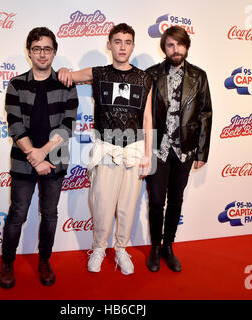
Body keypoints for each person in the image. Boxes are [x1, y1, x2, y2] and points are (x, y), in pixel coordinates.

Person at [58, 23, 153, 275]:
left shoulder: (145, 78)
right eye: (118, 41)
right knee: (102, 205)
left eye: (128, 42)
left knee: (127, 206)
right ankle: (99, 248)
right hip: (105, 148)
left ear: (133, 45)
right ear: (109, 44)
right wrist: (66, 69)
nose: (123, 47)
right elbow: (70, 75)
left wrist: (147, 155)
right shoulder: (99, 73)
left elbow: (147, 118)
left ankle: (121, 249)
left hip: (133, 149)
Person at [0, 27, 78, 288]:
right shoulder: (16, 84)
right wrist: (34, 157)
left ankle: (44, 261)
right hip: (24, 161)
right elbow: (14, 125)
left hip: (54, 159)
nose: (42, 54)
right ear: (29, 52)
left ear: (54, 52)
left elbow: (68, 126)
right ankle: (7, 263)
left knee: (50, 214)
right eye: (36, 48)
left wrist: (43, 154)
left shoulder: (66, 84)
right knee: (17, 214)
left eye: (47, 48)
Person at [145, 26, 212, 272]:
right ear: (164, 47)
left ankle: (168, 246)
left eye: (180, 44)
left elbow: (205, 114)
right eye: (171, 45)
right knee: (155, 201)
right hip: (157, 150)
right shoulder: (151, 74)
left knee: (176, 201)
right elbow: (143, 114)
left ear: (186, 47)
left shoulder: (199, 76)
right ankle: (154, 246)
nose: (176, 49)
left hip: (185, 150)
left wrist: (202, 152)